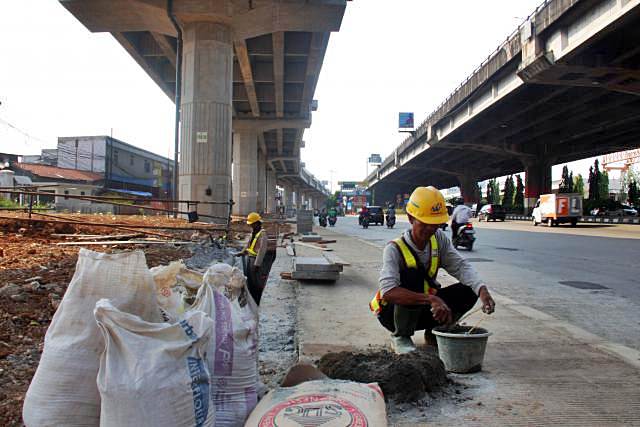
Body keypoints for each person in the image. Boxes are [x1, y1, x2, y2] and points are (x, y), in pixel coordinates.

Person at [370, 186, 495, 354]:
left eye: (435, 224)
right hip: (392, 314)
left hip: (423, 308)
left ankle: (436, 331)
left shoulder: (438, 239)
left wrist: (482, 290)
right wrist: (430, 299)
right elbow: (388, 292)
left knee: (469, 288)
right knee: (411, 275)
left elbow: (460, 266)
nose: (430, 229)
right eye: (425, 223)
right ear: (410, 218)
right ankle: (401, 336)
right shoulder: (394, 249)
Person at [235, 212, 276, 305]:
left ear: (257, 223)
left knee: (256, 282)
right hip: (250, 259)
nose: (251, 226)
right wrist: (242, 252)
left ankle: (258, 300)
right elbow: (249, 245)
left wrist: (257, 264)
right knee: (250, 281)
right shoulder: (253, 233)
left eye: (252, 224)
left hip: (256, 260)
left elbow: (262, 250)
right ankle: (252, 300)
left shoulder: (262, 234)